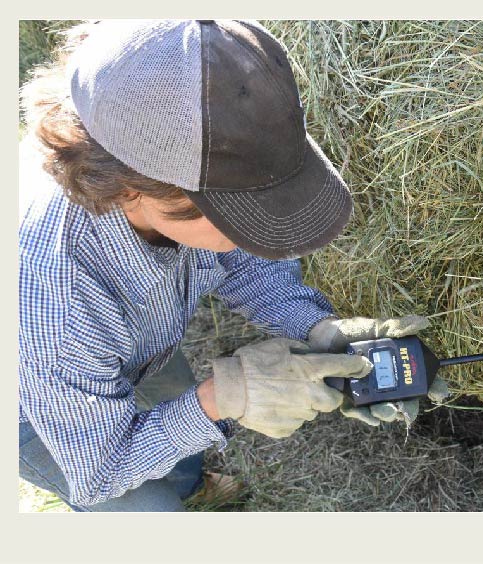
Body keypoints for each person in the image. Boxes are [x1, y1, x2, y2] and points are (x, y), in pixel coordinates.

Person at [18, 19, 447, 512]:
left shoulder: (155, 133)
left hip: (129, 342)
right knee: (150, 513)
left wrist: (316, 325)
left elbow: (239, 261)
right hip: (31, 406)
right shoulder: (56, 295)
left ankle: (190, 483)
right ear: (128, 189)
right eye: (233, 217)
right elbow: (100, 470)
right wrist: (219, 399)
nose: (252, 238)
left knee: (172, 419)